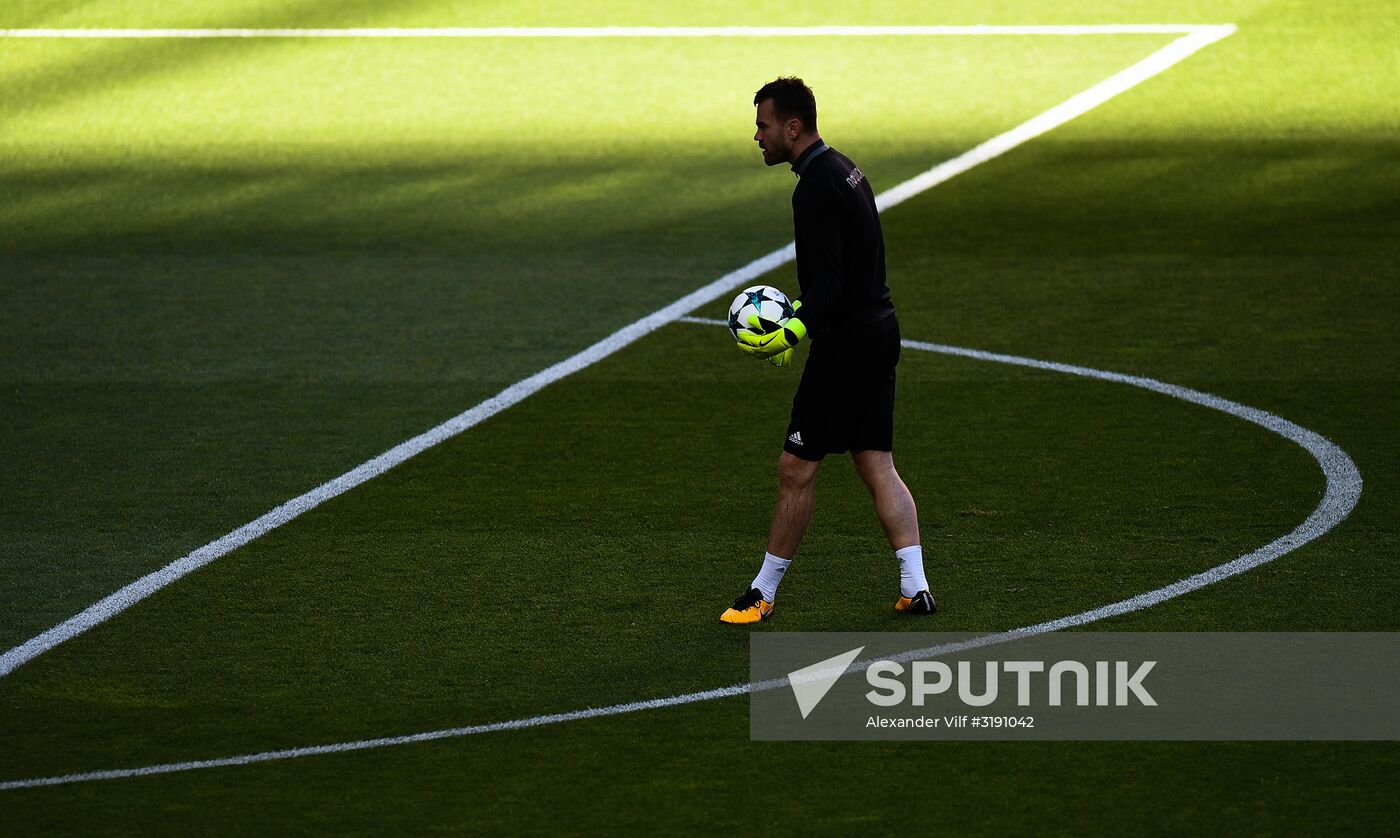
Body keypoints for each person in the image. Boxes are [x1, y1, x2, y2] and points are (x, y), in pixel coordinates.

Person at [721, 77, 937, 624]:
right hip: (878, 332)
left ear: (793, 127)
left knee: (796, 466)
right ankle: (916, 586)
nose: (757, 136)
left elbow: (829, 281)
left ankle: (762, 593)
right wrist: (803, 317)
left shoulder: (814, 186)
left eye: (763, 125)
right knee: (874, 461)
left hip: (845, 345)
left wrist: (792, 329)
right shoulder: (844, 167)